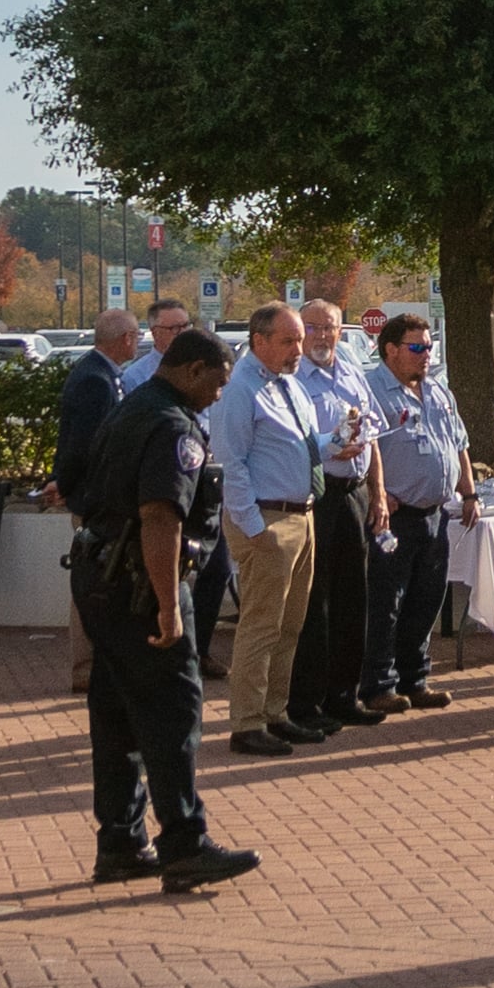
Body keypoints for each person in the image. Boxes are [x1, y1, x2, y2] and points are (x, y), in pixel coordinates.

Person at [69, 325, 257, 893]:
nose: (220, 395)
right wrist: (169, 609)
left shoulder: (131, 408)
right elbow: (160, 516)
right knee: (174, 714)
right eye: (218, 383)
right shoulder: (172, 424)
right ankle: (184, 844)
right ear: (193, 370)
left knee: (117, 714)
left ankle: (122, 843)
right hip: (139, 584)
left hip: (100, 576)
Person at [212, 307, 323, 758]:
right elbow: (231, 463)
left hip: (302, 516)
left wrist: (339, 442)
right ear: (259, 340)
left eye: (299, 340)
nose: (300, 349)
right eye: (289, 340)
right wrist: (256, 529)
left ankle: (275, 713)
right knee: (261, 626)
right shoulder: (241, 390)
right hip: (267, 520)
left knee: (290, 625)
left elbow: (298, 446)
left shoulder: (289, 385)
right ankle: (246, 723)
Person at [355, 308, 466, 711]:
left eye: (429, 348)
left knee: (426, 601)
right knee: (387, 603)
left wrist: (468, 494)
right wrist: (378, 493)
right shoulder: (371, 391)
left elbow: (459, 444)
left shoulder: (438, 391)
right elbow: (364, 448)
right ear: (390, 350)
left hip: (435, 514)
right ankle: (378, 684)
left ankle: (414, 679)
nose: (426, 355)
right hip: (394, 517)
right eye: (417, 347)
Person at [288, 300, 388, 736]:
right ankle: (306, 703)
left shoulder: (349, 372)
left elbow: (374, 437)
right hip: (316, 495)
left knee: (354, 599)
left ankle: (344, 696)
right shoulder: (291, 379)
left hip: (356, 493)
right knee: (315, 604)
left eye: (330, 328)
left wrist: (379, 495)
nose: (323, 336)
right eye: (313, 328)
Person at [44, 307, 145, 690]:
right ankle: (86, 669)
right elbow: (82, 446)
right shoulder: (95, 381)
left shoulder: (105, 375)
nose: (137, 341)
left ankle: (101, 664)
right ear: (124, 339)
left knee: (105, 582)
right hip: (94, 501)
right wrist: (65, 486)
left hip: (103, 499)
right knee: (92, 584)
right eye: (136, 335)